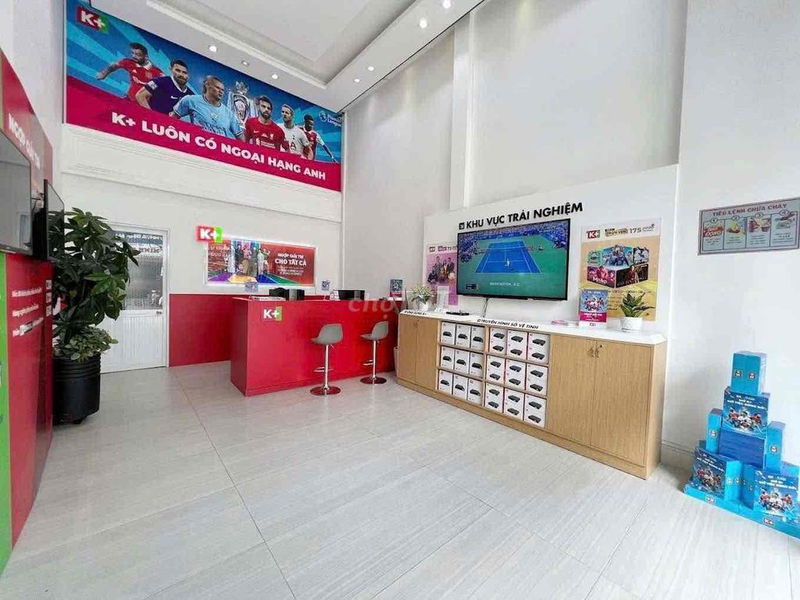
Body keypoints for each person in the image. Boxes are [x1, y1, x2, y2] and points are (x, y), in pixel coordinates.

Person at [171, 76, 244, 140]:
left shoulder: (229, 113)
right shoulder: (191, 100)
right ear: (207, 86)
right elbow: (172, 118)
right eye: (217, 88)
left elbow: (241, 137)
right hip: (197, 144)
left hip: (219, 148)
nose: (221, 92)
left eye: (222, 90)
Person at [96, 42, 164, 101]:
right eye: (132, 53)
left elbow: (164, 85)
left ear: (146, 56)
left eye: (138, 55)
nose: (133, 56)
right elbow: (114, 65)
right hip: (128, 99)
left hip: (144, 104)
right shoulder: (129, 63)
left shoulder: (156, 72)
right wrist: (103, 74)